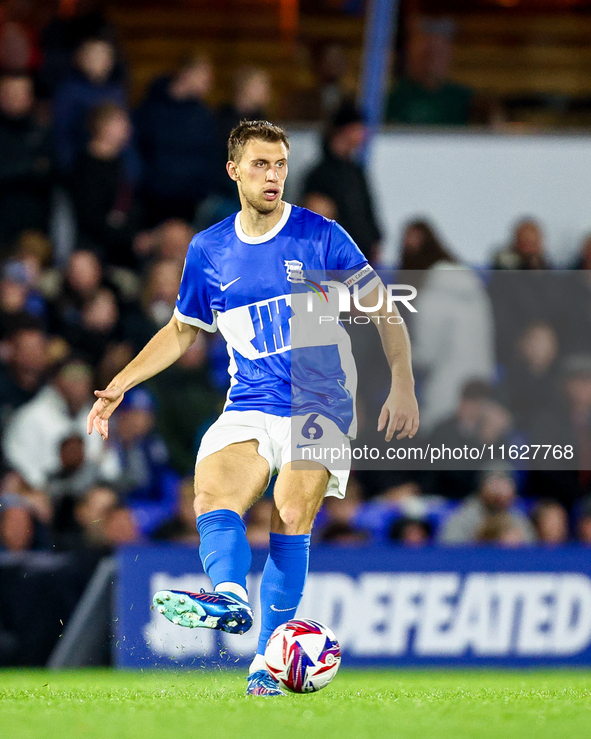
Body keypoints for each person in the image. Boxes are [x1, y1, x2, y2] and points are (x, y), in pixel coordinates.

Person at [87, 120, 419, 696]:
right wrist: (120, 382)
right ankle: (230, 596)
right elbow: (182, 329)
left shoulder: (322, 237)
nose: (273, 176)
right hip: (250, 400)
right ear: (234, 170)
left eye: (280, 165)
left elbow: (384, 311)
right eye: (261, 165)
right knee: (213, 492)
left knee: (289, 516)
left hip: (322, 403)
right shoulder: (209, 249)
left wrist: (403, 383)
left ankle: (266, 662)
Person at [301, 100, 382, 264]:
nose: (364, 134)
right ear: (345, 130)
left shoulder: (356, 171)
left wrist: (374, 239)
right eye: (359, 128)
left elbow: (367, 208)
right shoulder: (320, 174)